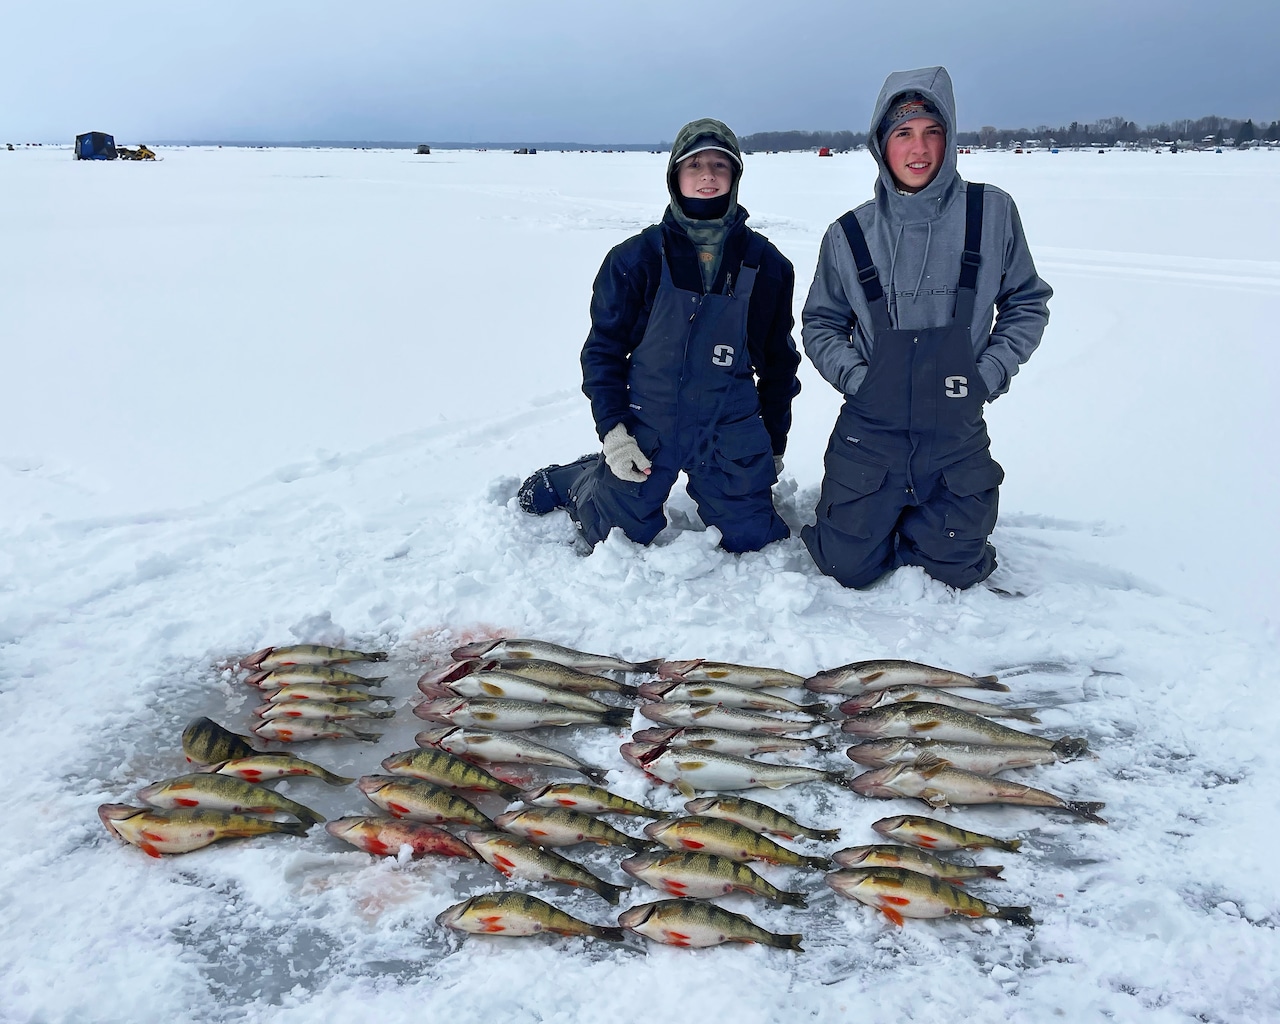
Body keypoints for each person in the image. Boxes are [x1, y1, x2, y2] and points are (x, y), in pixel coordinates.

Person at [801, 66, 1051, 590]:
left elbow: (1027, 302)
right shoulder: (848, 234)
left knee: (957, 570)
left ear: (950, 138)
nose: (920, 149)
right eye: (904, 133)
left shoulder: (993, 213)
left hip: (955, 433)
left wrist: (988, 373)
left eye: (933, 132)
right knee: (846, 568)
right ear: (881, 143)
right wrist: (858, 379)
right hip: (871, 433)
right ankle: (874, 519)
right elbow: (822, 322)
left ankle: (924, 521)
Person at [518, 119, 801, 553]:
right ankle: (579, 478)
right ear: (675, 177)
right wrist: (613, 432)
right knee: (615, 537)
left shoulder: (767, 265)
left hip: (730, 422)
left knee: (752, 538)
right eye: (695, 165)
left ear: (735, 176)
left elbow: (779, 364)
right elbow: (603, 352)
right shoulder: (636, 259)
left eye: (719, 165)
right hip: (651, 419)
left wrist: (772, 441)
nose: (707, 175)